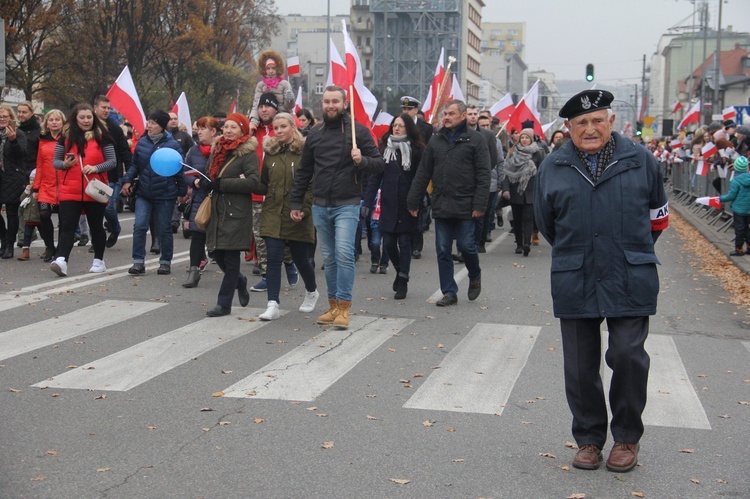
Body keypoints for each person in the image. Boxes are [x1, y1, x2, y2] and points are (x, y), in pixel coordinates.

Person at [534, 89, 669, 473]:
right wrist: (579, 251)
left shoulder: (641, 161)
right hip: (575, 275)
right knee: (579, 366)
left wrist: (631, 249)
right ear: (569, 128)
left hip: (630, 273)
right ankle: (589, 439)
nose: (590, 128)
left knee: (627, 355)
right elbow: (547, 223)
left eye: (597, 121)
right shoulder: (553, 167)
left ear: (611, 122)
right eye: (581, 123)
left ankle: (626, 437)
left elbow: (658, 218)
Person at [290, 85, 385, 328]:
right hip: (320, 204)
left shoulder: (359, 133)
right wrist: (296, 202)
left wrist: (361, 160)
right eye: (326, 101)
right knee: (329, 258)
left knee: (344, 254)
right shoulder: (315, 134)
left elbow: (378, 164)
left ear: (344, 104)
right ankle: (332, 307)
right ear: (322, 104)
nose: (330, 105)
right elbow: (304, 172)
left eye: (335, 101)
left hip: (347, 203)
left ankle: (344, 307)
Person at [406, 99, 490, 307]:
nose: (446, 117)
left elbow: (483, 174)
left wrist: (480, 205)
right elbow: (424, 172)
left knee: (466, 245)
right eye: (445, 114)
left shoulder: (476, 140)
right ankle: (449, 291)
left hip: (466, 205)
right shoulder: (436, 141)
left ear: (463, 116)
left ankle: (475, 274)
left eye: (451, 114)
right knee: (443, 249)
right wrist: (413, 199)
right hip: (442, 204)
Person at [256, 112, 319, 320]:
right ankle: (272, 303)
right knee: (273, 258)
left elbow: (311, 185)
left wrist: (303, 209)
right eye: (276, 128)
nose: (279, 131)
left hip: (297, 213)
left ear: (294, 127)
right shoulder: (271, 153)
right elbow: (264, 183)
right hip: (273, 212)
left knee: (301, 259)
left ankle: (312, 291)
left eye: (283, 126)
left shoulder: (305, 152)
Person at [198, 113, 260, 317]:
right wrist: (203, 181)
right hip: (217, 209)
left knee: (231, 259)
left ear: (242, 130)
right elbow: (210, 175)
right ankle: (240, 281)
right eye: (226, 127)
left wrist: (223, 184)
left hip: (235, 212)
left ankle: (223, 304)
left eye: (234, 127)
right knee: (216, 253)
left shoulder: (247, 154)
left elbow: (254, 182)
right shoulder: (218, 150)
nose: (228, 131)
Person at [50, 103, 116, 277]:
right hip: (69, 189)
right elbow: (55, 162)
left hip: (94, 189)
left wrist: (95, 168)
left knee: (96, 226)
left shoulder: (103, 137)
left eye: (89, 117)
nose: (86, 121)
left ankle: (99, 260)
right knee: (67, 226)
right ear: (74, 119)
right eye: (82, 118)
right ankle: (62, 260)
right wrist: (65, 164)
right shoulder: (65, 138)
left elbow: (112, 162)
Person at [364, 113, 425, 300]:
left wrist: (417, 200)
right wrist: (367, 202)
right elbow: (376, 177)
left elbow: (421, 178)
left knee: (405, 243)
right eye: (394, 125)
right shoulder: (385, 148)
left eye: (400, 126)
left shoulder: (417, 150)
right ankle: (400, 271)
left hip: (408, 204)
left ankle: (403, 280)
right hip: (389, 204)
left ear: (408, 128)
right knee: (388, 243)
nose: (396, 128)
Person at [121, 110, 186, 276]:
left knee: (164, 228)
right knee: (140, 226)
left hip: (165, 194)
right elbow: (135, 165)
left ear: (162, 126)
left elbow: (179, 169)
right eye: (148, 122)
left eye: (153, 123)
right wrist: (127, 180)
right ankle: (138, 262)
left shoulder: (173, 145)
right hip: (144, 192)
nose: (149, 126)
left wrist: (182, 191)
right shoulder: (142, 142)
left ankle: (165, 262)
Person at [182, 116, 220, 288]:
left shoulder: (222, 148)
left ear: (213, 131)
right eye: (198, 128)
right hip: (200, 198)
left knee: (218, 241)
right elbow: (186, 171)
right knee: (197, 236)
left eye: (203, 128)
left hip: (219, 198)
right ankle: (193, 271)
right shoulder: (193, 151)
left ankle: (234, 276)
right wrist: (194, 182)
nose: (199, 131)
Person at [93, 95, 133, 249]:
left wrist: (129, 174)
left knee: (109, 207)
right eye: (103, 107)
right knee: (94, 210)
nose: (106, 110)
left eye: (108, 108)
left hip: (112, 174)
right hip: (92, 174)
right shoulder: (88, 126)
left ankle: (115, 228)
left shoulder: (114, 128)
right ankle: (96, 239)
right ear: (95, 107)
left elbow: (124, 151)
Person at [400, 95, 434, 258]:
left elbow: (428, 151)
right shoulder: (398, 124)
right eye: (404, 108)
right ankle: (404, 240)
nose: (405, 111)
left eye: (409, 109)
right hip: (401, 171)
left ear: (416, 110)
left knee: (417, 209)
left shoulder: (426, 128)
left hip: (418, 172)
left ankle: (416, 245)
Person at [502, 128, 543, 256]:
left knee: (528, 218)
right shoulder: (512, 152)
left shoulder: (537, 153)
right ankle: (519, 244)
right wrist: (506, 189)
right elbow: (506, 173)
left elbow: (542, 172)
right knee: (517, 219)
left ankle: (527, 244)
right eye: (522, 138)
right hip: (516, 190)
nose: (525, 140)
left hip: (531, 190)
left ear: (531, 139)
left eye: (527, 138)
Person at [32, 109, 66, 262]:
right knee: (44, 215)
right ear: (46, 123)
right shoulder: (42, 140)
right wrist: (36, 187)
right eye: (51, 120)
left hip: (64, 185)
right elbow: (39, 164)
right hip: (46, 185)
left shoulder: (67, 139)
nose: (54, 122)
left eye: (57, 119)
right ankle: (49, 246)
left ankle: (61, 249)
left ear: (62, 122)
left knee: (65, 220)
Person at [0, 105, 28, 259]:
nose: (2, 119)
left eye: (5, 116)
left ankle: (10, 245)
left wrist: (13, 140)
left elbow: (22, 154)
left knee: (12, 213)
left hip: (13, 178)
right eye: (0, 117)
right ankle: (3, 240)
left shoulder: (19, 134)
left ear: (11, 118)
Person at [249, 50, 295, 134]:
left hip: (283, 118)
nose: (271, 71)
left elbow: (289, 107)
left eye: (273, 68)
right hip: (266, 120)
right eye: (268, 68)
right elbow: (256, 103)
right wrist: (254, 119)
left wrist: (290, 99)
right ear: (264, 69)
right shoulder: (260, 85)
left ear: (278, 68)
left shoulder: (284, 84)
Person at [720, 156, 750, 256]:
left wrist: (720, 198)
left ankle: (739, 249)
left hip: (739, 209)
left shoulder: (735, 181)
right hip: (748, 208)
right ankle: (749, 247)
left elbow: (731, 195)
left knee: (739, 229)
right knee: (747, 228)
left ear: (736, 168)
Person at [17, 169, 40, 261]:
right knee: (27, 235)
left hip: (39, 217)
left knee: (45, 233)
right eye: (31, 179)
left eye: (34, 180)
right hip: (29, 218)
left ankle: (48, 248)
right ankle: (25, 251)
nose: (32, 182)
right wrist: (26, 191)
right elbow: (21, 200)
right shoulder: (28, 191)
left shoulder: (40, 191)